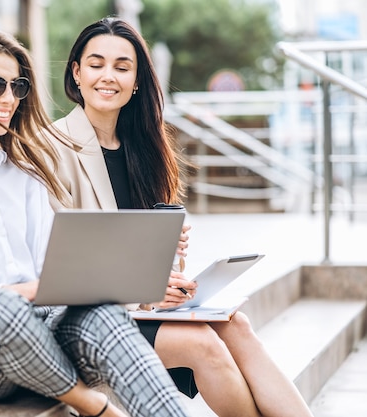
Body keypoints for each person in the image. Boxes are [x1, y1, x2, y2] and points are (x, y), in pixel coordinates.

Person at [0, 29, 192, 417]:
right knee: (1, 306)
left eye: (18, 86)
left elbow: (55, 268)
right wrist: (17, 293)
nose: (9, 99)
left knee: (105, 314)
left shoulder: (24, 171)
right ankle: (96, 407)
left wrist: (120, 278)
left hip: (44, 329)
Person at [44, 17, 314, 417]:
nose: (108, 76)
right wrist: (142, 287)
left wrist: (167, 261)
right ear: (76, 73)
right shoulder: (51, 147)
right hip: (84, 319)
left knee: (236, 326)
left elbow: (156, 262)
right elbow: (58, 262)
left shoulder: (144, 150)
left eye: (122, 67)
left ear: (136, 81)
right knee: (202, 344)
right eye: (96, 64)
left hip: (139, 308)